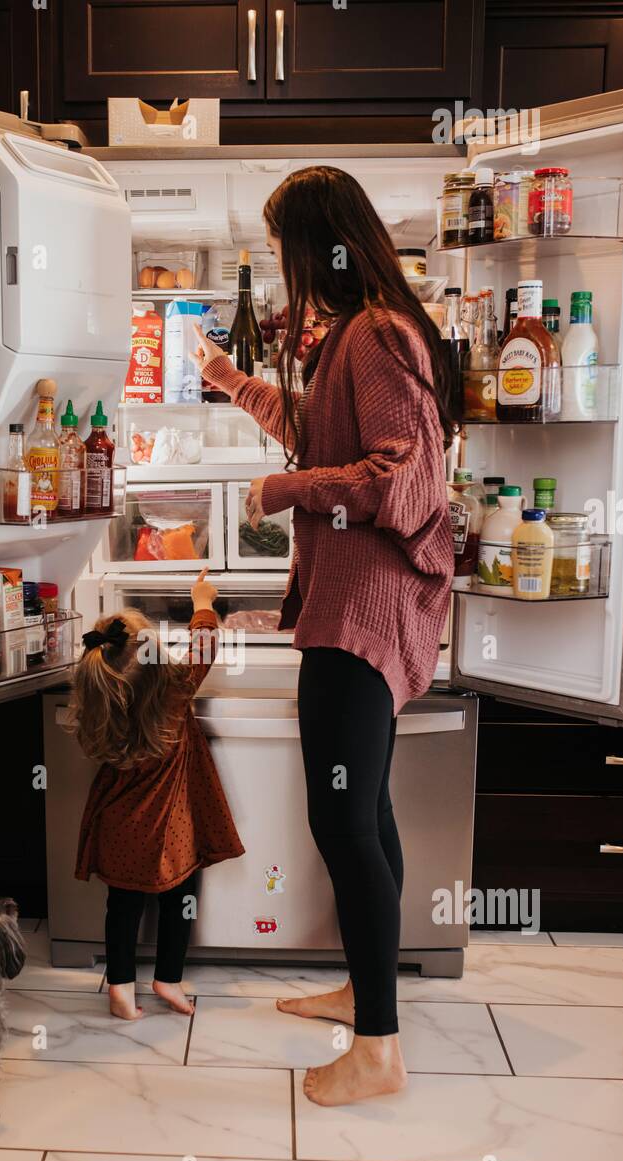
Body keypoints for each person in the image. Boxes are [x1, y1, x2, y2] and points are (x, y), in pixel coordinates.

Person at [192, 165, 455, 1106]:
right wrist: (235, 386)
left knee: (341, 821)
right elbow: (321, 431)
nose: (277, 263)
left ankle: (377, 1050)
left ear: (315, 245)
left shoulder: (377, 331)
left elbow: (397, 480)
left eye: (279, 246)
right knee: (366, 813)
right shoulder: (359, 331)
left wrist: (282, 491)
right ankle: (365, 988)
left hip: (362, 610)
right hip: (354, 603)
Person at [70, 569, 244, 1020]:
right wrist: (201, 601)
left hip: (118, 828)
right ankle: (167, 978)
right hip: (172, 831)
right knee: (180, 900)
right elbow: (204, 644)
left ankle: (121, 989)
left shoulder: (100, 706)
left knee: (122, 907)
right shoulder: (176, 691)